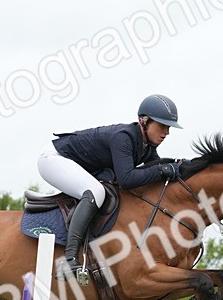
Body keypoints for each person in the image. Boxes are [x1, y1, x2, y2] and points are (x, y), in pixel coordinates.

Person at [37, 94, 183, 284]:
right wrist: (163, 170)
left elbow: (153, 168)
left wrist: (179, 165)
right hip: (54, 159)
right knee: (95, 192)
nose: (167, 132)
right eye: (162, 126)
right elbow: (127, 179)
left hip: (77, 163)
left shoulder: (147, 145)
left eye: (169, 127)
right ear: (144, 121)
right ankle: (69, 259)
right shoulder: (124, 138)